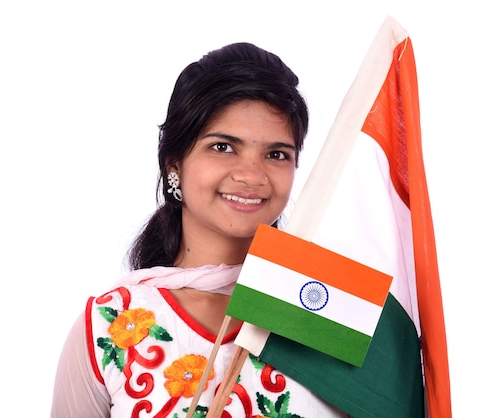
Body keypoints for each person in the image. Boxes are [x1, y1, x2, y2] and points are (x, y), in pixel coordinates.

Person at [50, 42, 348, 417]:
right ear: (174, 165)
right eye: (223, 147)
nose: (251, 176)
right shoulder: (111, 327)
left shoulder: (332, 316)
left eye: (276, 154)